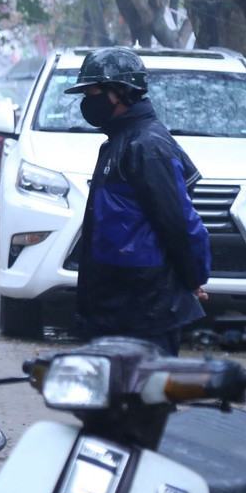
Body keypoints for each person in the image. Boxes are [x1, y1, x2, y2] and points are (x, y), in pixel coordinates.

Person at [67, 47, 210, 356]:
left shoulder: (148, 146)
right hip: (117, 308)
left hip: (147, 311)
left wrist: (193, 278)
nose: (86, 102)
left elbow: (180, 223)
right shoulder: (120, 141)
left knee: (145, 398)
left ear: (120, 92)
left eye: (92, 93)